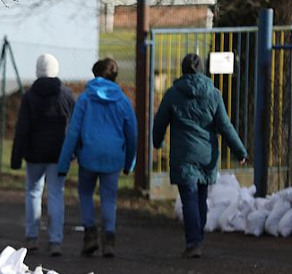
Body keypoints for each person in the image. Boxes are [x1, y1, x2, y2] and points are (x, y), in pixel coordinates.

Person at [152, 53, 248, 259]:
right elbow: (225, 125)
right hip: (207, 155)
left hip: (183, 155)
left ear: (183, 69)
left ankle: (193, 242)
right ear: (202, 69)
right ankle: (198, 238)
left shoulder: (173, 94)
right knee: (201, 198)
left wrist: (157, 142)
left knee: (189, 199)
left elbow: (160, 122)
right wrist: (239, 151)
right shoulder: (213, 94)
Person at [57, 58, 136, 258]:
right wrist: (130, 162)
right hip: (113, 157)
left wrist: (64, 164)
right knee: (109, 197)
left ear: (96, 75)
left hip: (88, 155)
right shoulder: (123, 101)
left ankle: (90, 236)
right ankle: (109, 240)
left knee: (85, 193)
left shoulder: (85, 99)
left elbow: (73, 132)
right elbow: (132, 133)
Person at [11, 53, 76, 256]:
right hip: (59, 154)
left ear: (38, 71)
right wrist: (74, 152)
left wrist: (16, 156)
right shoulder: (66, 95)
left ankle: (31, 237)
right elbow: (74, 126)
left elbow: (22, 128)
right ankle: (55, 240)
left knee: (33, 192)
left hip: (34, 154)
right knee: (56, 194)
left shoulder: (29, 96)